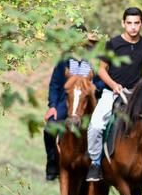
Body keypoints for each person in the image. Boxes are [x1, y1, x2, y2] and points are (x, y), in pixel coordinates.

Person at [86, 7, 142, 182]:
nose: (133, 27)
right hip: (112, 92)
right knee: (96, 125)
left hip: (138, 94)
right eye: (129, 23)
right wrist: (113, 85)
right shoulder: (113, 44)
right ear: (123, 23)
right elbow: (101, 69)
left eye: (137, 23)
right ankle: (95, 163)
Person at [43, 28, 101, 181]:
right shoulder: (64, 60)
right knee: (50, 127)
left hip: (89, 100)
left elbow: (101, 80)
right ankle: (52, 163)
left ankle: (100, 165)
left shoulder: (95, 60)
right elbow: (55, 84)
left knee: (103, 127)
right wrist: (53, 106)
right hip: (66, 100)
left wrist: (96, 87)